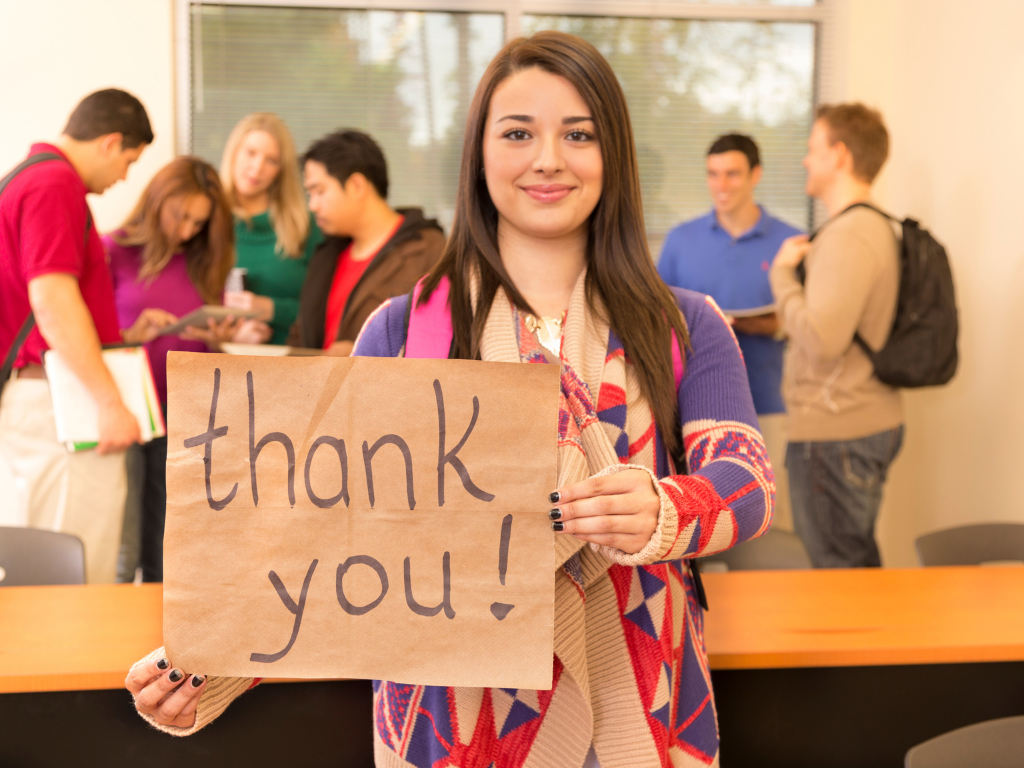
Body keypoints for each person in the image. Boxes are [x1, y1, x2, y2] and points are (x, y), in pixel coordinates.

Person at [125, 32, 774, 766]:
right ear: (479, 154)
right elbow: (328, 537)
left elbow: (746, 483)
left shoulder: (686, 322)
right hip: (451, 724)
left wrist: (664, 510)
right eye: (519, 133)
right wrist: (207, 661)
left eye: (579, 134)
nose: (548, 158)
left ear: (613, 155)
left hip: (644, 707)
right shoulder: (404, 330)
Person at [0, 89, 173, 585]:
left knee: (36, 571)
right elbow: (52, 300)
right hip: (65, 403)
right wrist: (109, 402)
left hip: (38, 397)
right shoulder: (54, 183)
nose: (124, 177)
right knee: (72, 575)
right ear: (110, 142)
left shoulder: (21, 179)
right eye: (130, 161)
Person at [769, 103, 902, 568]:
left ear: (839, 155)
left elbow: (824, 340)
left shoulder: (850, 234)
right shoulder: (872, 227)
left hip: (836, 431)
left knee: (839, 576)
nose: (805, 160)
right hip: (856, 421)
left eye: (812, 148)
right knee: (851, 566)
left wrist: (783, 275)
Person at [658, 134, 801, 531]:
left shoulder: (790, 242)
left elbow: (805, 319)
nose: (721, 185)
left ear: (756, 175)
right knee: (697, 518)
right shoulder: (680, 241)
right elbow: (652, 319)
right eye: (713, 174)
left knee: (769, 522)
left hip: (768, 402)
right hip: (687, 410)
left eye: (733, 174)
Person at [105, 156, 237, 583]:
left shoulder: (202, 261)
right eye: (181, 216)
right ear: (157, 198)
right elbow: (96, 340)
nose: (186, 231)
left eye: (198, 223)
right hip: (128, 417)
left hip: (184, 422)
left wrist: (220, 338)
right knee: (120, 552)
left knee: (169, 555)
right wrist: (134, 332)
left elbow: (210, 353)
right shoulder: (112, 251)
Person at [286, 130, 445, 355]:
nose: (312, 205)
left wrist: (363, 353)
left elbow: (442, 343)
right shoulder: (326, 255)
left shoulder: (428, 251)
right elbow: (300, 339)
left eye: (319, 191)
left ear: (356, 186)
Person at [220, 113, 322, 345]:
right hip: (218, 369)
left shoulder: (305, 226)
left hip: (294, 367)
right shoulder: (207, 222)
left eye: (271, 160)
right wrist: (227, 336)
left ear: (281, 171)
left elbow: (328, 310)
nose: (257, 167)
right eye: (251, 153)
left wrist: (271, 309)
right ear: (234, 152)